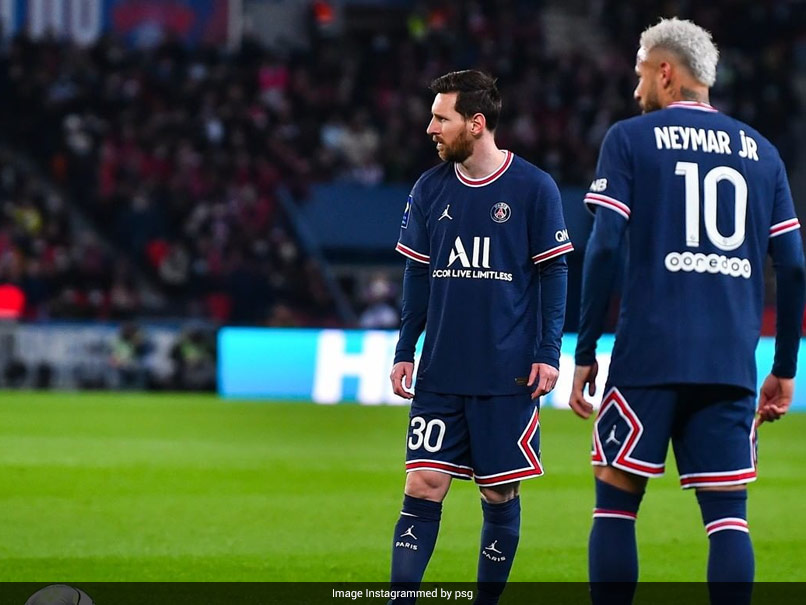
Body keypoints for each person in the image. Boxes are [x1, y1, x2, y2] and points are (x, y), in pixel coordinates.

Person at [569, 18, 806, 605]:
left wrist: (585, 350)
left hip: (647, 353)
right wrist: (783, 368)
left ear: (666, 72)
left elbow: (603, 248)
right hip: (728, 361)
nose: (635, 90)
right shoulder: (764, 153)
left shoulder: (630, 138)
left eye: (640, 74)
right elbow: (795, 266)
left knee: (617, 503)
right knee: (728, 519)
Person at [388, 70, 573, 604]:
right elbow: (417, 275)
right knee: (422, 485)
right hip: (441, 371)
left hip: (506, 374)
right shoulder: (429, 188)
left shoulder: (534, 188)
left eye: (441, 118)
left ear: (476, 123)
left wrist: (547, 352)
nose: (431, 128)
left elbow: (554, 273)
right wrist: (406, 349)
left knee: (498, 491)